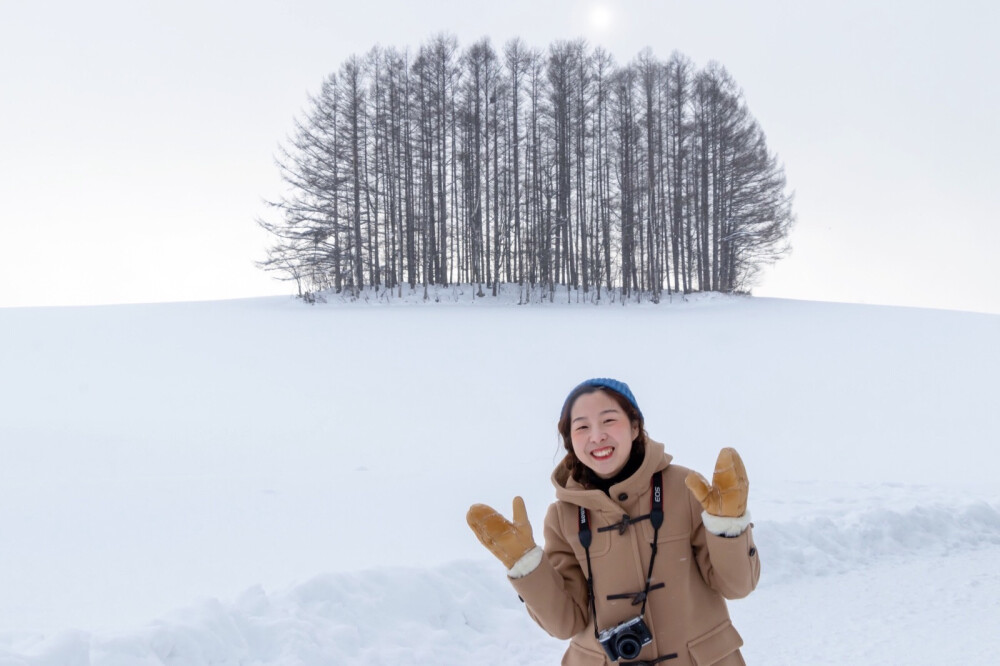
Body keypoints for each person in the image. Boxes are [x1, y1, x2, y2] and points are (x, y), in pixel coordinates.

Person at [467, 378, 760, 665]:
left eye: (608, 421)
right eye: (582, 427)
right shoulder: (563, 517)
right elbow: (565, 623)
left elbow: (736, 586)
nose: (597, 436)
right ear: (571, 441)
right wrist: (526, 565)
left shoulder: (686, 488)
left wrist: (727, 527)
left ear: (635, 426)